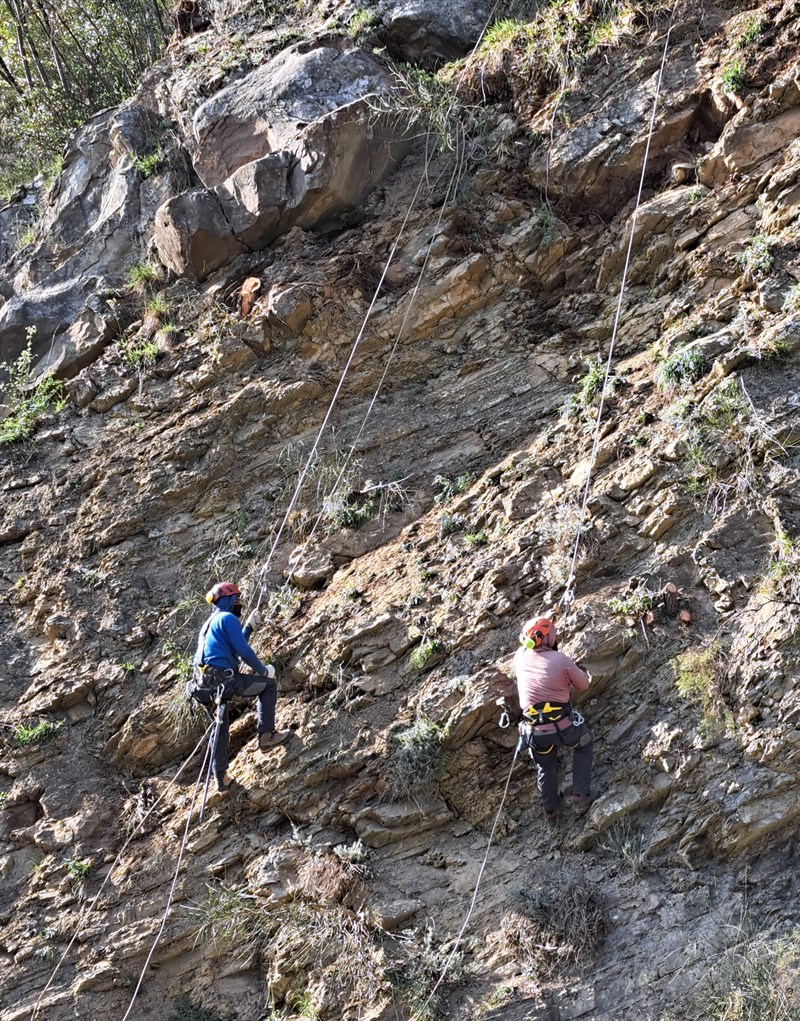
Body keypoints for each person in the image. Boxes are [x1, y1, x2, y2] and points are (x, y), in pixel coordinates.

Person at [193, 581, 290, 793]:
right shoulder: (227, 618)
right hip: (224, 681)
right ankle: (267, 736)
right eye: (236, 599)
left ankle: (220, 778)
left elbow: (231, 647)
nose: (239, 603)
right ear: (228, 600)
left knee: (220, 725)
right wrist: (263, 671)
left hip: (204, 686)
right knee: (268, 686)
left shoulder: (210, 624)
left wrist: (249, 627)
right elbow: (243, 652)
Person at [514, 615, 593, 824]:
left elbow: (527, 646)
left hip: (535, 732)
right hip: (564, 728)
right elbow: (583, 685)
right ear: (546, 638)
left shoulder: (520, 657)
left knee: (545, 765)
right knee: (583, 744)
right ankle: (580, 797)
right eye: (553, 634)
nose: (555, 636)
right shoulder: (561, 660)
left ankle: (550, 811)